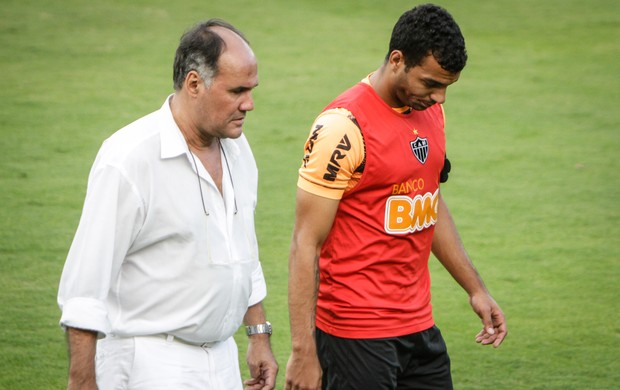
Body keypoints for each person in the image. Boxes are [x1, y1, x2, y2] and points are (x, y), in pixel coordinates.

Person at [285, 4, 507, 390]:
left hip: (418, 326)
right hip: (354, 334)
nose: (439, 99)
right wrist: (304, 353)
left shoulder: (430, 112)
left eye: (447, 87)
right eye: (430, 84)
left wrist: (476, 289)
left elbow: (428, 202)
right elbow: (305, 243)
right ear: (397, 59)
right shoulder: (342, 127)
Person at [57, 19, 278, 390]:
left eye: (252, 90)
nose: (249, 104)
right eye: (237, 90)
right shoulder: (129, 159)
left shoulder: (238, 149)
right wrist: (82, 380)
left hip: (222, 361)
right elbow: (84, 287)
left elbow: (243, 249)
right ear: (194, 84)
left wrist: (258, 335)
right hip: (149, 362)